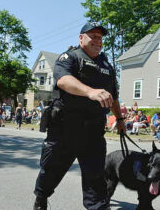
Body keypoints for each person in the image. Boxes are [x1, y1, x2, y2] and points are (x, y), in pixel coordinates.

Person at [33, 22, 126, 210]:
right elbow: (63, 80)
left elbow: (113, 96)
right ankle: (41, 198)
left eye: (100, 37)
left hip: (93, 133)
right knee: (50, 173)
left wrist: (120, 119)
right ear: (81, 38)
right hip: (64, 130)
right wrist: (90, 91)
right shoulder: (70, 57)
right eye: (93, 36)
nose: (97, 41)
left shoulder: (107, 65)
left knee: (96, 181)